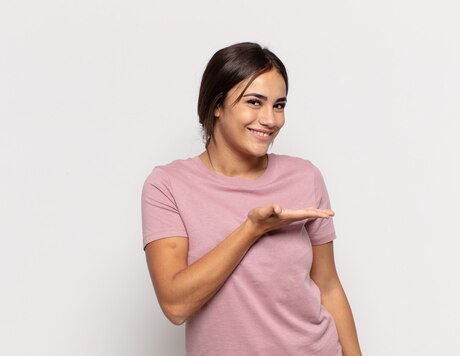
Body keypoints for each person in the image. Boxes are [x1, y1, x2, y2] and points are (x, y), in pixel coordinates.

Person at [142, 42, 362, 356]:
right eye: (254, 102)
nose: (270, 119)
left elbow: (328, 285)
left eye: (279, 105)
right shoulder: (168, 185)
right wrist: (252, 229)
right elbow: (176, 305)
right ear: (217, 105)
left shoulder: (304, 176)